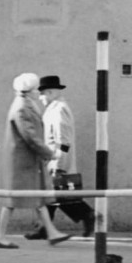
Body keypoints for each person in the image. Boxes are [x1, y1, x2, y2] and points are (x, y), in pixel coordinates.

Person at [0, 73, 71, 249]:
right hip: (23, 162)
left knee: (36, 198)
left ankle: (51, 232)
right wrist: (50, 153)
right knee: (13, 200)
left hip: (26, 161)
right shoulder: (22, 108)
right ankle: (0, 236)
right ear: (29, 91)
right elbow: (31, 137)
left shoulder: (25, 105)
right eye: (36, 89)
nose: (39, 92)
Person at [24, 75, 95, 240]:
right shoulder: (55, 108)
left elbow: (63, 140)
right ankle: (44, 227)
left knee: (58, 195)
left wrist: (59, 163)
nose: (40, 98)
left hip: (55, 159)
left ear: (49, 92)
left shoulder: (58, 110)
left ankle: (88, 215)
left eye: (42, 94)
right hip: (52, 159)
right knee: (53, 195)